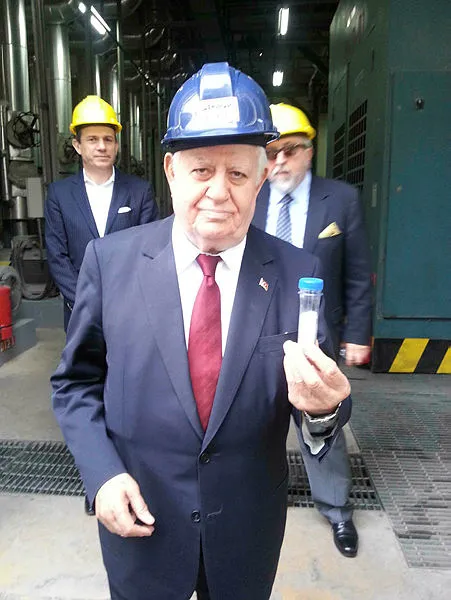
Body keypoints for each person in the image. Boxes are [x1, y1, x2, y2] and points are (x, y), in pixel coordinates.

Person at [51, 63, 352, 600]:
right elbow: (75, 384)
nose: (218, 192)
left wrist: (324, 410)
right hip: (139, 518)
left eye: (237, 174)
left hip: (245, 530)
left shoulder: (296, 274)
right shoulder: (110, 263)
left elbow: (319, 401)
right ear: (171, 171)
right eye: (201, 170)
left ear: (262, 177)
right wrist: (102, 475)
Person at [252, 102, 372, 558]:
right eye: (273, 152)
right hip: (258, 330)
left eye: (292, 149)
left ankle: (337, 508)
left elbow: (358, 273)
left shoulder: (340, 200)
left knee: (321, 420)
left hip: (315, 335)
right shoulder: (250, 197)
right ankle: (251, 497)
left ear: (309, 150)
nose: (281, 160)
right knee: (251, 418)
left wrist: (357, 332)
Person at [45, 95, 159, 332]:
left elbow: (151, 251)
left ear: (116, 145)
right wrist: (84, 303)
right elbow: (57, 256)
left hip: (131, 311)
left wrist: (127, 302)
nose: (102, 146)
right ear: (77, 145)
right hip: (80, 313)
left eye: (108, 139)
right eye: (92, 139)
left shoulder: (139, 191)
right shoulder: (59, 194)